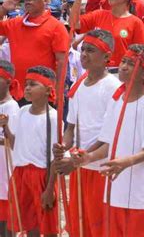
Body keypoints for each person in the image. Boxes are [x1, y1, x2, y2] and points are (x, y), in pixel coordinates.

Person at [71, 44, 144, 237]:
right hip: (114, 189)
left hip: (139, 190)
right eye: (123, 61)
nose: (124, 67)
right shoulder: (116, 100)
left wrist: (124, 162)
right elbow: (107, 143)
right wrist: (87, 158)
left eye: (131, 64)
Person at [52, 29, 120, 237]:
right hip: (80, 166)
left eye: (91, 50)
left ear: (107, 57)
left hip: (102, 167)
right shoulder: (79, 84)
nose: (83, 55)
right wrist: (64, 149)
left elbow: (110, 135)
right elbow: (71, 127)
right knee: (79, 224)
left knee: (100, 225)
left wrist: (80, 158)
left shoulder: (113, 87)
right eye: (82, 50)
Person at [4, 66, 59, 236]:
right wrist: (5, 128)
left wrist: (49, 189)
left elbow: (55, 159)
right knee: (28, 222)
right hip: (20, 173)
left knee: (47, 223)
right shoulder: (22, 112)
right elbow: (16, 145)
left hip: (42, 175)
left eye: (33, 84)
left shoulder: (52, 118)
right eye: (26, 84)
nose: (27, 88)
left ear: (48, 90)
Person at [0, 0, 69, 102]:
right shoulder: (15, 23)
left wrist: (58, 90)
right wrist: (3, 9)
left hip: (43, 93)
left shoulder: (56, 27)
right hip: (16, 92)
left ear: (46, 0)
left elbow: (62, 62)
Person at [71, 0, 144, 71]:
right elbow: (74, 24)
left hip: (120, 75)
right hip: (95, 73)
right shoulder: (98, 15)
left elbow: (141, 54)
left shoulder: (136, 23)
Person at [0, 60, 21, 236]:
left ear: (8, 81)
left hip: (4, 172)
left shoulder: (12, 107)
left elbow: (13, 142)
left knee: (6, 221)